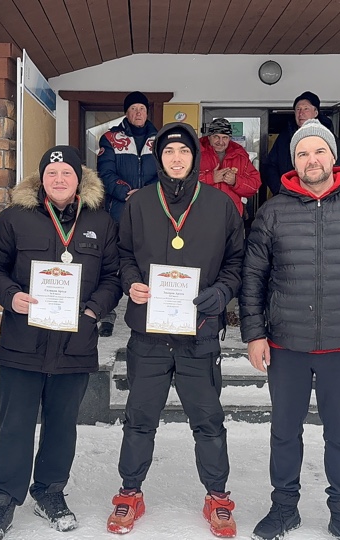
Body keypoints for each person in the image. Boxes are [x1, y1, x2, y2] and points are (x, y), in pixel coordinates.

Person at [240, 119, 340, 540]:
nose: (311, 160)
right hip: (286, 343)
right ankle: (284, 508)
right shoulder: (273, 211)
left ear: (333, 156)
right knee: (284, 432)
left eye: (318, 151)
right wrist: (254, 334)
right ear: (293, 162)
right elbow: (253, 277)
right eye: (302, 153)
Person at [0, 146, 121, 539]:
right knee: (14, 426)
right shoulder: (15, 218)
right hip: (23, 342)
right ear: (42, 179)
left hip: (76, 343)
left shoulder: (101, 222)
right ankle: (1, 500)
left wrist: (93, 310)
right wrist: (10, 296)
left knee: (62, 427)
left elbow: (113, 276)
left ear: (79, 179)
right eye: (52, 173)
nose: (59, 179)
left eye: (66, 173)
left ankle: (50, 492)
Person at [106, 122, 245, 538]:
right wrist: (131, 281)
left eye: (184, 151)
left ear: (195, 156)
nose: (177, 158)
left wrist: (222, 293)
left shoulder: (220, 205)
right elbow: (123, 254)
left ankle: (218, 497)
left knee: (208, 421)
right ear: (159, 158)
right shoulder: (139, 203)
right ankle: (130, 492)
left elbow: (237, 263)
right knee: (139, 418)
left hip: (199, 334)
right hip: (148, 334)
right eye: (169, 151)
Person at [95, 91, 159, 337]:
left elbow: (165, 172)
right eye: (133, 109)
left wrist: (144, 194)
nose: (138, 113)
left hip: (151, 208)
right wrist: (126, 192)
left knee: (148, 258)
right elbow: (105, 173)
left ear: (147, 112)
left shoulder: (160, 138)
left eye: (141, 108)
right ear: (126, 112)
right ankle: (107, 313)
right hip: (119, 210)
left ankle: (151, 309)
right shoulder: (111, 138)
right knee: (111, 262)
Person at [261, 91, 334, 196]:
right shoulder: (284, 137)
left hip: (321, 197)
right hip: (287, 196)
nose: (301, 113)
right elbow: (270, 166)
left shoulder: (328, 137)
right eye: (298, 109)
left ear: (316, 112)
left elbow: (336, 168)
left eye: (306, 109)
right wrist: (280, 190)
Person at [198, 117, 261, 216]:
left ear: (229, 138)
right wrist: (210, 178)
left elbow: (254, 186)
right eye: (216, 137)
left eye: (225, 137)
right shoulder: (194, 153)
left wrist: (235, 181)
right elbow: (183, 183)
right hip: (202, 216)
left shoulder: (240, 156)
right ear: (209, 136)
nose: (220, 142)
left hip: (231, 217)